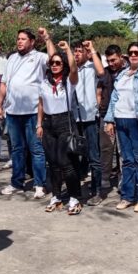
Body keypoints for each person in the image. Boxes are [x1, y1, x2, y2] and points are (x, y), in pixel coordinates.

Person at [104, 36, 138, 213]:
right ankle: (127, 196)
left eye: (137, 53)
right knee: (127, 160)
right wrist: (109, 120)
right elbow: (114, 97)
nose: (134, 55)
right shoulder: (122, 74)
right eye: (131, 53)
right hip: (122, 119)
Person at [0, 28, 48, 197]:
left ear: (32, 42)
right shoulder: (12, 58)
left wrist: (47, 39)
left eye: (23, 39)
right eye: (18, 38)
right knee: (17, 150)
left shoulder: (39, 57)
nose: (19, 41)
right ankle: (16, 182)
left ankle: (39, 184)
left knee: (36, 149)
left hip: (33, 111)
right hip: (12, 112)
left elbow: (54, 57)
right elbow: (4, 83)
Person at [38, 40, 82, 214]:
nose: (54, 65)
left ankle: (74, 198)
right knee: (53, 163)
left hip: (65, 121)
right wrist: (39, 124)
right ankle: (56, 196)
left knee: (66, 163)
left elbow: (74, 69)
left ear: (63, 65)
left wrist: (68, 50)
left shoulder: (68, 81)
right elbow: (41, 104)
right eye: (52, 63)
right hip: (48, 123)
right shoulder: (44, 82)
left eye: (58, 63)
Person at [72, 40, 102, 202]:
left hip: (90, 117)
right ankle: (75, 190)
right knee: (73, 155)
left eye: (80, 51)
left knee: (93, 156)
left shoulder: (91, 67)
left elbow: (101, 71)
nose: (77, 54)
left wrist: (92, 50)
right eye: (75, 51)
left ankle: (97, 191)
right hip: (73, 118)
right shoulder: (71, 69)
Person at [96, 44, 125, 195]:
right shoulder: (105, 73)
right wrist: (99, 103)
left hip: (123, 115)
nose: (111, 63)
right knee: (106, 148)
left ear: (121, 56)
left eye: (114, 60)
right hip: (105, 114)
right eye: (108, 61)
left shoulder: (127, 72)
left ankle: (123, 179)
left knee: (122, 150)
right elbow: (99, 90)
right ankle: (105, 177)